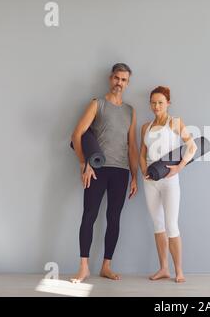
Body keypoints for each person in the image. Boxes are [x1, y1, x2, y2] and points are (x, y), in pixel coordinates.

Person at [70, 63, 139, 283]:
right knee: (89, 215)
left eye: (124, 80)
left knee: (114, 218)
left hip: (121, 171)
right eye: (117, 78)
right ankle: (83, 267)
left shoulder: (130, 111)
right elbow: (77, 134)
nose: (120, 83)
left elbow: (132, 146)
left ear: (128, 83)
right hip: (97, 170)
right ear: (111, 79)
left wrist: (135, 176)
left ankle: (106, 266)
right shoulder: (97, 104)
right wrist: (83, 163)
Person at [140, 86, 197, 283]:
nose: (156, 106)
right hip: (150, 181)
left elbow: (192, 146)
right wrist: (143, 171)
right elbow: (142, 154)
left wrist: (179, 167)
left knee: (172, 225)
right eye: (153, 102)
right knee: (158, 224)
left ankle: (179, 271)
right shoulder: (145, 127)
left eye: (161, 103)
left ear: (168, 104)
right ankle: (163, 268)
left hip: (170, 180)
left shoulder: (175, 123)